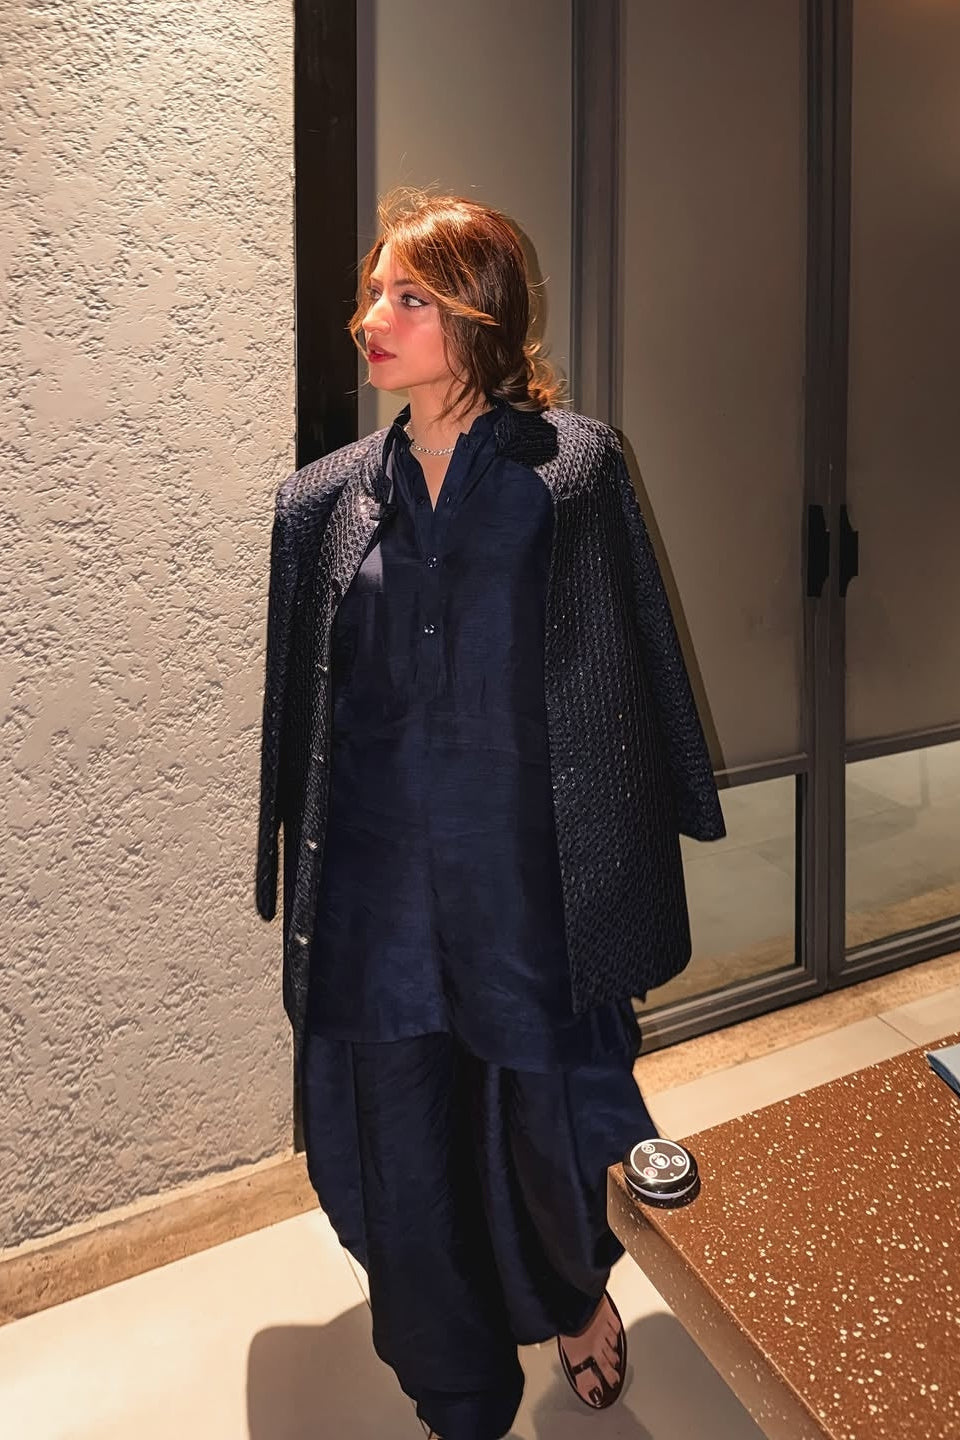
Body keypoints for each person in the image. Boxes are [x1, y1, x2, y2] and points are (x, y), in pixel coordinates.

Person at [255, 187, 726, 1440]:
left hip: (531, 885)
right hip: (378, 902)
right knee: (399, 1150)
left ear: (482, 312)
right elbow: (298, 715)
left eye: (408, 296)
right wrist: (287, 872)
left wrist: (670, 806)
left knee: (549, 1127)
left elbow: (637, 656)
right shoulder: (322, 503)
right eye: (373, 293)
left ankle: (576, 1302)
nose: (371, 319)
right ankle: (455, 1389)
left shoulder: (573, 469)